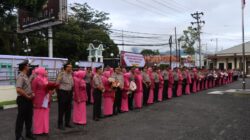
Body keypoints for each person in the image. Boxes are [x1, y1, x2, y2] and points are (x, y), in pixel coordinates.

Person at [15, 60, 35, 140]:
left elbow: (26, 87)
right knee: (21, 119)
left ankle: (28, 133)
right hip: (23, 99)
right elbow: (18, 89)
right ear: (25, 67)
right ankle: (18, 136)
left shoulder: (26, 76)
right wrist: (27, 96)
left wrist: (31, 93)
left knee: (29, 118)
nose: (29, 67)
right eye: (28, 65)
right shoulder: (21, 76)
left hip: (28, 99)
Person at [56, 62, 74, 130]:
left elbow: (72, 84)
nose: (71, 68)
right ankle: (60, 124)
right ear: (66, 67)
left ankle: (67, 123)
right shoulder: (61, 74)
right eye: (69, 67)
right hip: (63, 93)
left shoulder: (71, 74)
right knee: (61, 109)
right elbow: (57, 84)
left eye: (71, 67)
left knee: (68, 109)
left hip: (69, 93)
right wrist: (59, 94)